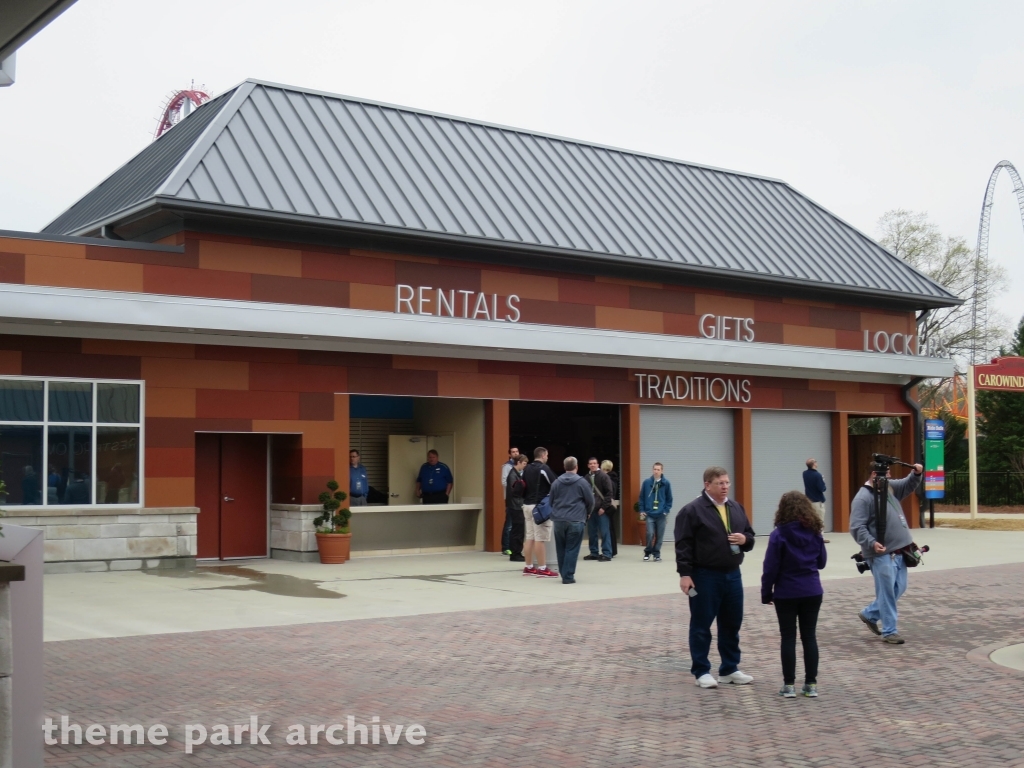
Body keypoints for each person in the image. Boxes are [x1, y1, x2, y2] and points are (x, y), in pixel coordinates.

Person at [675, 466, 756, 689]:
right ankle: (701, 671)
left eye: (727, 482)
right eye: (720, 483)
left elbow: (750, 535)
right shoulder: (692, 511)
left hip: (733, 574)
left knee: (732, 623)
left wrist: (745, 540)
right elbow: (683, 545)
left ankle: (729, 668)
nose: (725, 487)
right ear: (707, 485)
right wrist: (685, 574)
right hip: (704, 576)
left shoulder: (736, 507)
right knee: (701, 624)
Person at [761, 491, 827, 699]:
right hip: (812, 589)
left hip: (786, 591)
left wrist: (766, 592)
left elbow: (770, 567)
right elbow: (821, 563)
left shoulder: (778, 535)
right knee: (809, 636)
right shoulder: (815, 532)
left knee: (788, 637)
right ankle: (811, 684)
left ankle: (789, 684)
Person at [850, 461, 923, 645]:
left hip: (900, 550)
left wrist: (916, 474)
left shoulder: (888, 488)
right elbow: (857, 527)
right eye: (886, 474)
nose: (890, 477)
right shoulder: (863, 498)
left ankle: (869, 614)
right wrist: (872, 543)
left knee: (899, 587)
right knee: (887, 592)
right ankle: (890, 631)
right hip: (880, 554)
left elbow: (907, 484)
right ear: (874, 475)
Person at [549, 456, 594, 585]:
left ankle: (563, 573)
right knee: (572, 548)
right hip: (576, 519)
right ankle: (568, 576)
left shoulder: (556, 482)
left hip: (559, 520)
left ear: (564, 467)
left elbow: (551, 501)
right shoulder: (582, 483)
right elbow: (590, 501)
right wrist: (588, 513)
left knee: (561, 548)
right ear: (576, 467)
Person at [522, 447, 557, 578]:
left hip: (527, 505)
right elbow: (555, 484)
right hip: (539, 507)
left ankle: (529, 566)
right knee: (540, 538)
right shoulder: (544, 468)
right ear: (543, 455)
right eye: (547, 455)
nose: (547, 457)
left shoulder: (527, 468)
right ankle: (542, 568)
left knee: (529, 537)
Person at [638, 463, 673, 562]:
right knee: (650, 533)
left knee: (660, 536)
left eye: (658, 470)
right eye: (655, 469)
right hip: (650, 514)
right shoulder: (646, 482)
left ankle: (656, 553)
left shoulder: (666, 483)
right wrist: (642, 510)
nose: (656, 471)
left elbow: (669, 499)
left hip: (661, 514)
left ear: (662, 471)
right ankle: (647, 552)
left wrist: (666, 511)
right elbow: (641, 497)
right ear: (652, 470)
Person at [583, 457, 615, 561]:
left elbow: (609, 493)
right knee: (592, 533)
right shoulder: (586, 477)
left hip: (602, 510)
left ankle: (607, 553)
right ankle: (594, 552)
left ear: (598, 465)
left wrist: (603, 508)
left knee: (604, 532)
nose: (592, 465)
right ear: (588, 465)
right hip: (591, 510)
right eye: (590, 463)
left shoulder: (604, 476)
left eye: (594, 463)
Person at [505, 454, 529, 562]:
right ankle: (516, 553)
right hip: (516, 506)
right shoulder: (513, 475)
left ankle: (516, 552)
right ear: (518, 462)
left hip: (516, 505)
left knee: (518, 530)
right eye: (524, 463)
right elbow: (515, 491)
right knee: (517, 530)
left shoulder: (515, 474)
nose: (525, 466)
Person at [500, 447, 520, 555]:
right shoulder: (507, 466)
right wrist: (516, 487)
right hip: (510, 497)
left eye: (517, 451)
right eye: (513, 452)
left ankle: (514, 546)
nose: (515, 453)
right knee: (509, 523)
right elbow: (504, 481)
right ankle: (506, 547)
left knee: (517, 524)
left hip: (519, 499)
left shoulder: (521, 465)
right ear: (509, 454)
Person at [602, 460, 619, 557]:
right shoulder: (614, 478)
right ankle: (613, 549)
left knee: (608, 528)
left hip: (607, 506)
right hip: (610, 506)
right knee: (611, 527)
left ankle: (611, 550)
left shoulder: (608, 478)